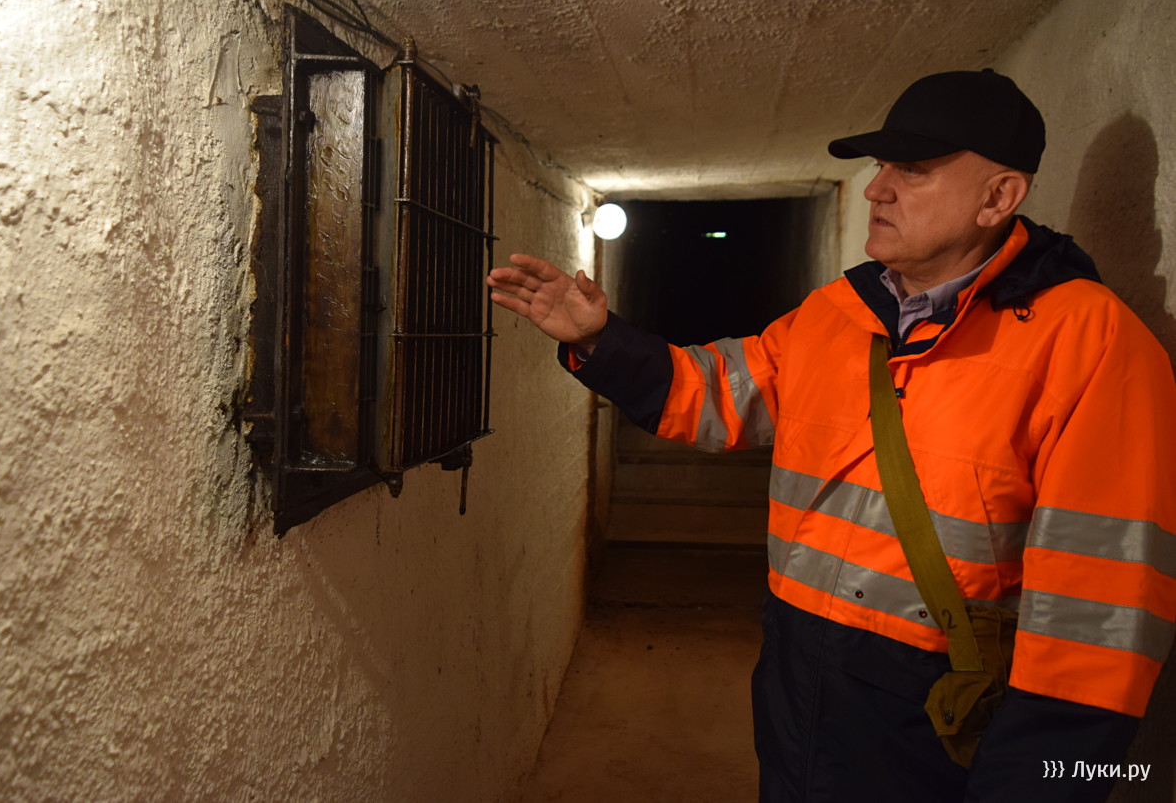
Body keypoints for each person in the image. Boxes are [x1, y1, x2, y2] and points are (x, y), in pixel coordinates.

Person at [487, 70, 1176, 802]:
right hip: (799, 667)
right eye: (881, 166)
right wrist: (599, 339)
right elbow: (716, 395)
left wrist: (1037, 784)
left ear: (998, 197)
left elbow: (1100, 614)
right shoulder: (838, 314)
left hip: (942, 709)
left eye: (913, 169)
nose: (878, 189)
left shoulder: (1092, 343)